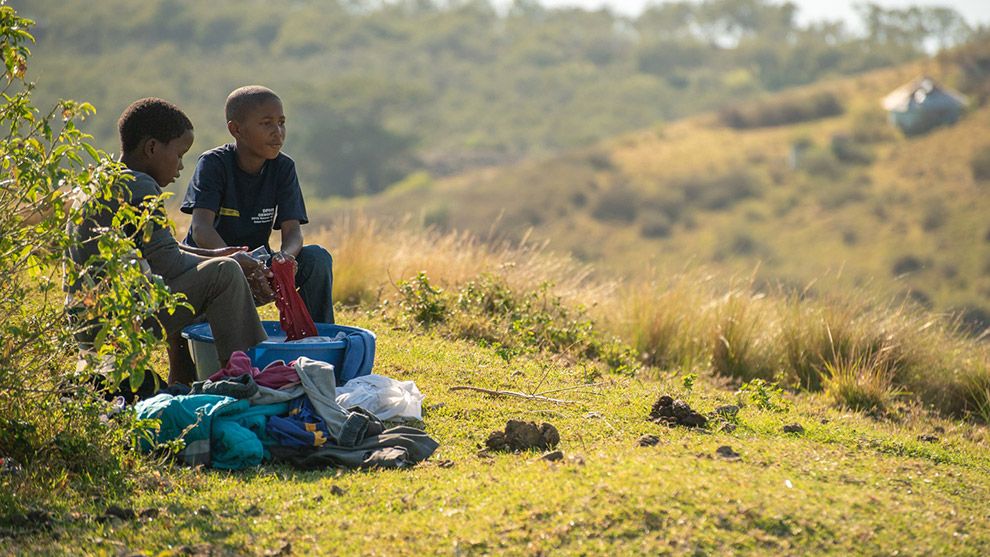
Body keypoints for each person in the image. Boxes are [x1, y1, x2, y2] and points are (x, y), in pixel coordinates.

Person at [68, 97, 268, 386]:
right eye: (179, 153)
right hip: (117, 323)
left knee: (211, 270)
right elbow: (168, 264)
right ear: (151, 148)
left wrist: (211, 253)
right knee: (225, 274)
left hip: (89, 324)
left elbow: (159, 249)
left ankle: (187, 378)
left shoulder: (103, 178)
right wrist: (227, 260)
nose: (181, 166)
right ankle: (239, 381)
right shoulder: (140, 185)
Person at [179, 85, 334, 324]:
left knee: (317, 258)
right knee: (205, 334)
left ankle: (319, 338)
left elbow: (293, 232)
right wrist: (236, 262)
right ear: (236, 129)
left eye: (281, 122)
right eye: (267, 123)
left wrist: (285, 258)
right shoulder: (214, 164)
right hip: (212, 267)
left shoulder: (283, 168)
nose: (278, 132)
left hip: (258, 266)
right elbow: (201, 230)